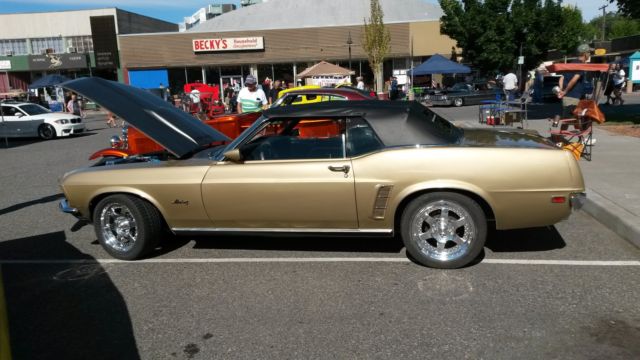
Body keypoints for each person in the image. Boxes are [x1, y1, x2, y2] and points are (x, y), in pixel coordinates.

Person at [557, 44, 592, 117]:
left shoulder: (571, 63)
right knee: (573, 120)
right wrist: (565, 91)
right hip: (573, 97)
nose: (589, 54)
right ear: (585, 54)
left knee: (568, 120)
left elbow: (562, 78)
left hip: (567, 97)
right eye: (589, 52)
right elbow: (574, 80)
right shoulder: (580, 65)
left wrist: (561, 90)